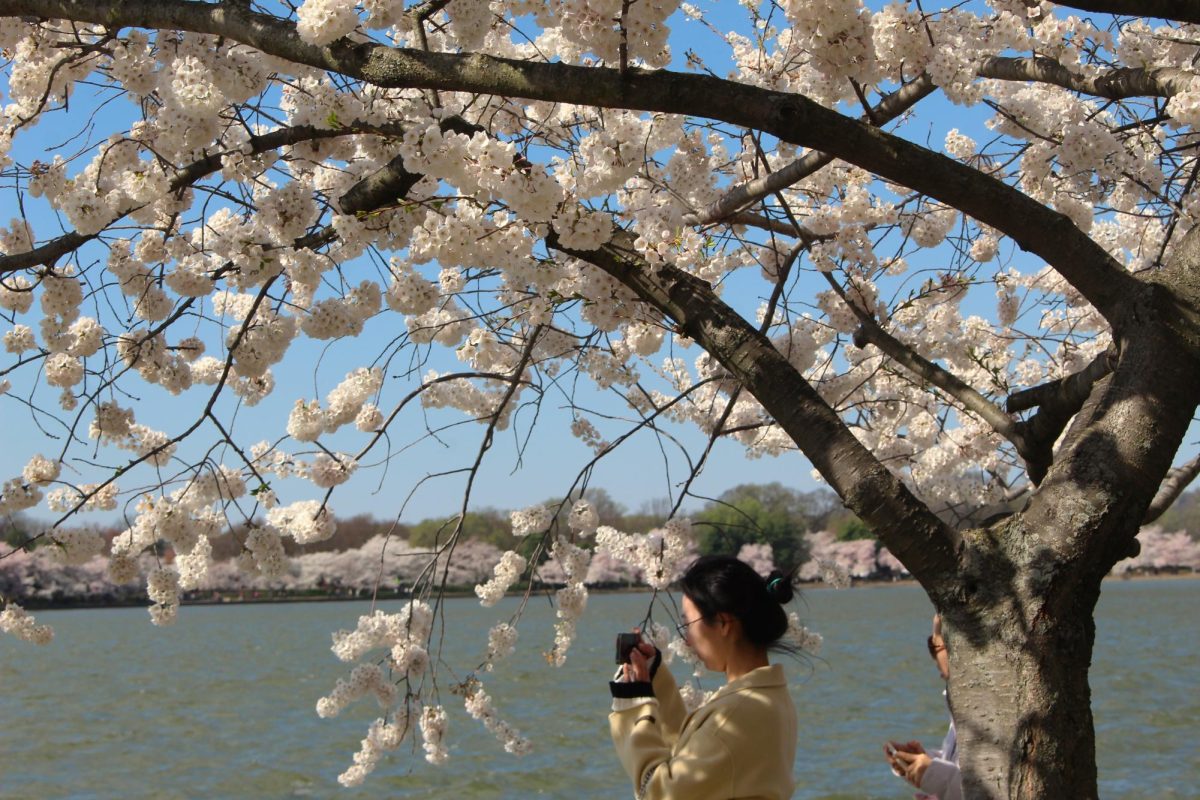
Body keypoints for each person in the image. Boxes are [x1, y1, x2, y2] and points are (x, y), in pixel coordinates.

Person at [608, 555, 801, 799]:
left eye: (688, 623)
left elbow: (658, 792)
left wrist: (633, 707)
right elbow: (695, 752)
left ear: (722, 623)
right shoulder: (767, 697)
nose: (687, 640)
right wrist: (655, 681)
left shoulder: (737, 713)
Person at [883, 613, 962, 800]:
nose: (934, 649)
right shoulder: (962, 706)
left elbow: (994, 787)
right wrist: (923, 762)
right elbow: (962, 765)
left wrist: (933, 772)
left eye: (937, 642)